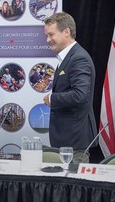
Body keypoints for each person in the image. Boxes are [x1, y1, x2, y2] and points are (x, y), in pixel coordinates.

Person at [43, 12, 97, 163]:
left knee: (73, 186)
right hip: (66, 141)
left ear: (66, 32)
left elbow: (80, 95)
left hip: (75, 142)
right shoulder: (68, 57)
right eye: (47, 36)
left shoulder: (79, 58)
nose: (48, 40)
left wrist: (52, 98)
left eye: (51, 35)